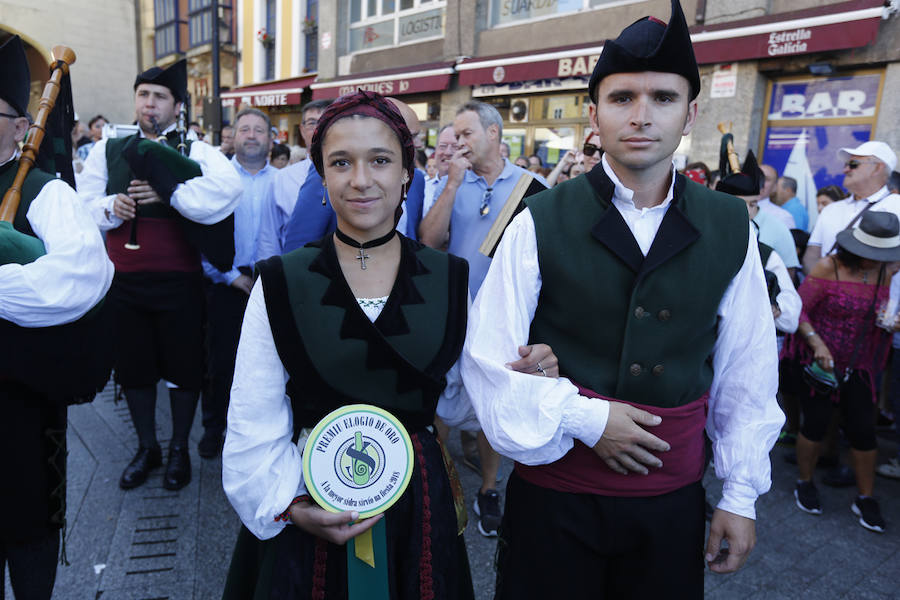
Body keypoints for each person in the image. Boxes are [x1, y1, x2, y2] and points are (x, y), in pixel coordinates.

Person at [462, 1, 784, 596]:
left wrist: (740, 497)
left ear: (689, 115)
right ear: (593, 114)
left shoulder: (730, 225)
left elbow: (747, 372)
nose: (641, 116)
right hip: (556, 502)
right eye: (621, 98)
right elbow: (488, 363)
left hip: (670, 505)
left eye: (662, 98)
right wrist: (587, 417)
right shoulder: (539, 219)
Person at [220, 89, 557, 599]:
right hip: (312, 497)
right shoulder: (282, 280)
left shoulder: (448, 277)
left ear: (407, 171)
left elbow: (465, 402)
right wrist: (288, 504)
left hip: (416, 504)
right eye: (340, 162)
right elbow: (253, 414)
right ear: (322, 175)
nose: (360, 179)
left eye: (380, 160)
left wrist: (525, 376)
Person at [79, 59, 240, 491]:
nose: (149, 104)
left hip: (179, 281)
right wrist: (111, 207)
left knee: (184, 370)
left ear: (177, 106)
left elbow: (227, 192)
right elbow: (84, 204)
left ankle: (178, 451)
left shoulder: (197, 150)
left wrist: (172, 192)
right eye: (143, 95)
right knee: (134, 369)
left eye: (159, 97)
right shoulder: (108, 147)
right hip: (124, 281)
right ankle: (147, 447)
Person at [0, 35, 114, 599]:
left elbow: (78, 280)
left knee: (27, 533)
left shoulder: (47, 195)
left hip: (19, 403)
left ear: (22, 128)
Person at [418, 100, 548, 537]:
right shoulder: (450, 183)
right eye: (454, 134)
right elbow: (430, 241)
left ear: (494, 134)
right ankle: (435, 480)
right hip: (452, 310)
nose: (456, 141)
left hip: (504, 320)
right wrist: (452, 185)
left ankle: (489, 489)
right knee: (437, 398)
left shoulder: (534, 187)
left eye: (466, 133)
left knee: (493, 402)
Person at [784, 211, 900, 533]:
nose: (878, 261)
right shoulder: (828, 267)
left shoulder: (885, 273)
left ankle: (866, 497)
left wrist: (889, 322)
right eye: (872, 254)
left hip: (861, 366)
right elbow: (799, 309)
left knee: (864, 430)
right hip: (821, 362)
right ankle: (805, 482)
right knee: (816, 424)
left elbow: (881, 312)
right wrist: (816, 343)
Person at [199, 107, 277, 458]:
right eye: (244, 129)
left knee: (266, 361)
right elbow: (200, 233)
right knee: (220, 360)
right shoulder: (217, 180)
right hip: (224, 281)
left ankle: (259, 429)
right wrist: (229, 276)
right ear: (233, 136)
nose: (251, 135)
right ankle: (214, 427)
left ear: (270, 138)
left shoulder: (282, 182)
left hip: (270, 282)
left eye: (258, 130)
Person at [281, 97, 426, 251]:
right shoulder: (330, 175)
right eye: (411, 136)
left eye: (381, 160)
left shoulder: (417, 179)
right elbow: (299, 244)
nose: (417, 144)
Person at [802, 141, 900, 274]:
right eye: (846, 164)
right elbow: (811, 254)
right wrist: (823, 284)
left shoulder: (896, 206)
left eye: (853, 164)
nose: (845, 170)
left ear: (878, 168)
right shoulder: (831, 209)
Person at [256, 99, 330, 261]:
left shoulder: (353, 176)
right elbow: (269, 237)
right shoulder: (282, 179)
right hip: (294, 271)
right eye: (312, 123)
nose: (319, 128)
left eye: (327, 121)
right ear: (302, 130)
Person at [759, 164, 797, 230]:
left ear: (775, 187)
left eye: (766, 179)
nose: (759, 181)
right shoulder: (736, 206)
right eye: (756, 176)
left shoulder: (783, 217)